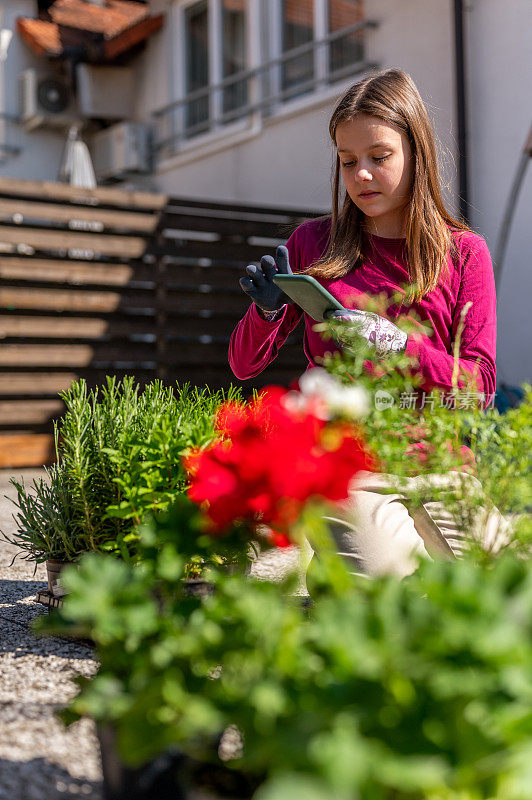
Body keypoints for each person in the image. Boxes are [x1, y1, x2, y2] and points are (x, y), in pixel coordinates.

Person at [229, 68, 510, 577]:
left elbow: (480, 389)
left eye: (379, 158)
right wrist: (267, 309)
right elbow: (244, 365)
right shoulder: (314, 245)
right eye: (347, 161)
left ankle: (327, 559)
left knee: (503, 590)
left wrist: (398, 345)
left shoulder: (465, 254)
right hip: (350, 468)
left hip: (443, 468)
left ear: (415, 153)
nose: (361, 175)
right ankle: (324, 550)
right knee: (395, 591)